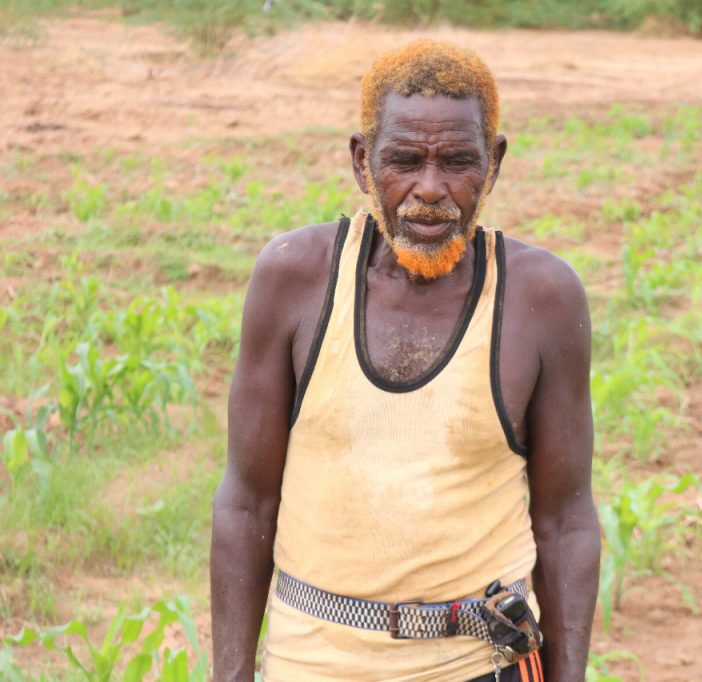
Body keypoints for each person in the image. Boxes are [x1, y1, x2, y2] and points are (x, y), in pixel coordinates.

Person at [210, 40, 599, 682]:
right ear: (363, 162)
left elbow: (565, 520)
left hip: (481, 663)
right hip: (312, 663)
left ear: (494, 163)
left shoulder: (542, 299)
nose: (430, 190)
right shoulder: (294, 280)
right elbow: (247, 502)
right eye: (403, 161)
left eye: (457, 162)